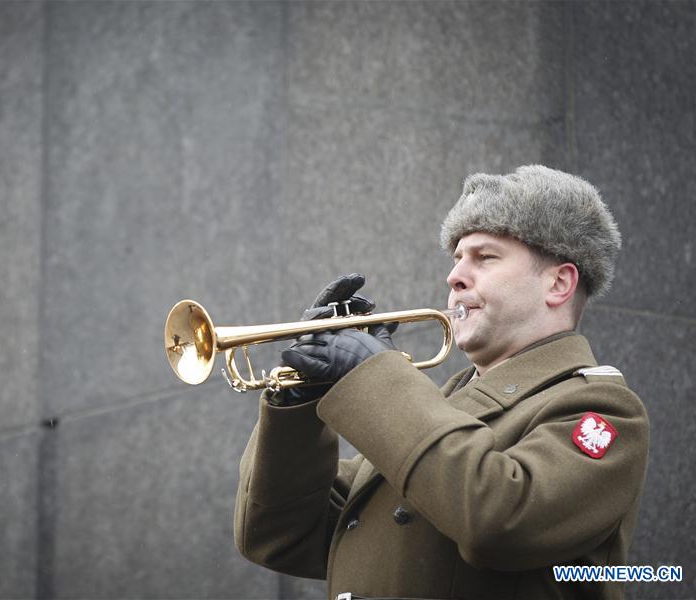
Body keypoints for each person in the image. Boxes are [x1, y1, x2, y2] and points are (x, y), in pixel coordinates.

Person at [234, 165, 649, 600]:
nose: (454, 276)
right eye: (456, 258)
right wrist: (300, 403)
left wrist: (377, 377)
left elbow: (499, 520)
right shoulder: (439, 408)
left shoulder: (602, 409)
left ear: (559, 282)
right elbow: (279, 536)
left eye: (485, 257)